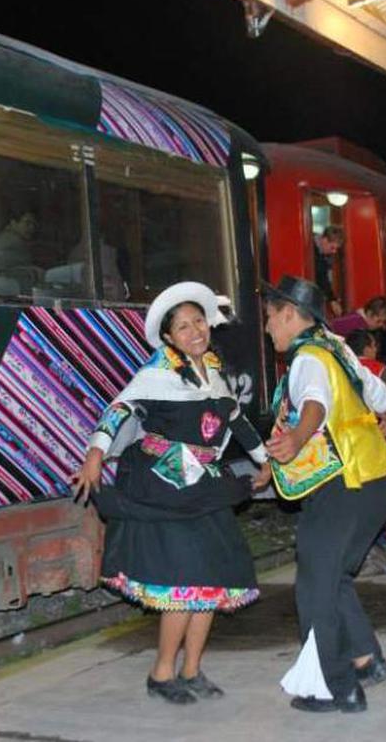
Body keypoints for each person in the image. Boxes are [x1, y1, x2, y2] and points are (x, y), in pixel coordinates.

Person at [70, 281, 271, 705]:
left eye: (199, 321)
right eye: (183, 326)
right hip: (165, 489)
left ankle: (192, 670)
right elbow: (118, 411)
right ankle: (162, 674)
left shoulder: (213, 375)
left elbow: (236, 421)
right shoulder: (156, 375)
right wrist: (94, 454)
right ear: (168, 337)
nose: (195, 331)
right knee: (184, 583)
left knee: (210, 582)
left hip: (204, 488)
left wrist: (264, 459)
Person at [262, 275, 386, 714]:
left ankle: (334, 686)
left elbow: (314, 405)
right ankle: (367, 659)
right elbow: (380, 391)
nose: (267, 329)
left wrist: (298, 438)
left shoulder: (307, 358)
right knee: (334, 575)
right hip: (378, 480)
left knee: (314, 587)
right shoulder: (337, 347)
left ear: (288, 314)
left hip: (345, 482)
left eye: (269, 319)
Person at [345, 328, 386, 411]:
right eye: (374, 346)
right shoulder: (381, 370)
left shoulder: (342, 366)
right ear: (366, 349)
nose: (376, 350)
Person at [312, 226, 344, 316]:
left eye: (336, 249)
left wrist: (332, 299)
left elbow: (324, 277)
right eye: (332, 247)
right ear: (324, 240)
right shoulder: (311, 249)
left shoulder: (324, 255)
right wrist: (332, 300)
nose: (334, 252)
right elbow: (321, 277)